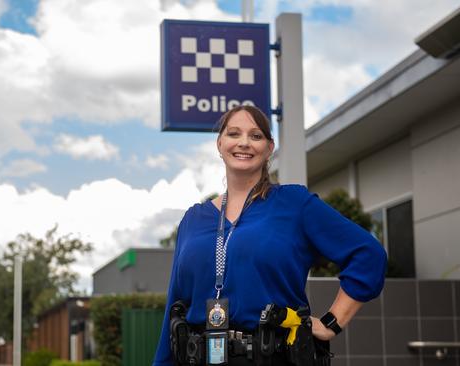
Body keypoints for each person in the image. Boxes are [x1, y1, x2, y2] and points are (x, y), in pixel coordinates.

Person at [152, 105, 387, 366]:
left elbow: (368, 255)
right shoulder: (193, 219)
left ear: (269, 148)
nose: (244, 143)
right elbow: (175, 302)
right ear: (219, 144)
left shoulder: (294, 203)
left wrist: (333, 322)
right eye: (233, 134)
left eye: (255, 136)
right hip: (198, 355)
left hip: (271, 355)